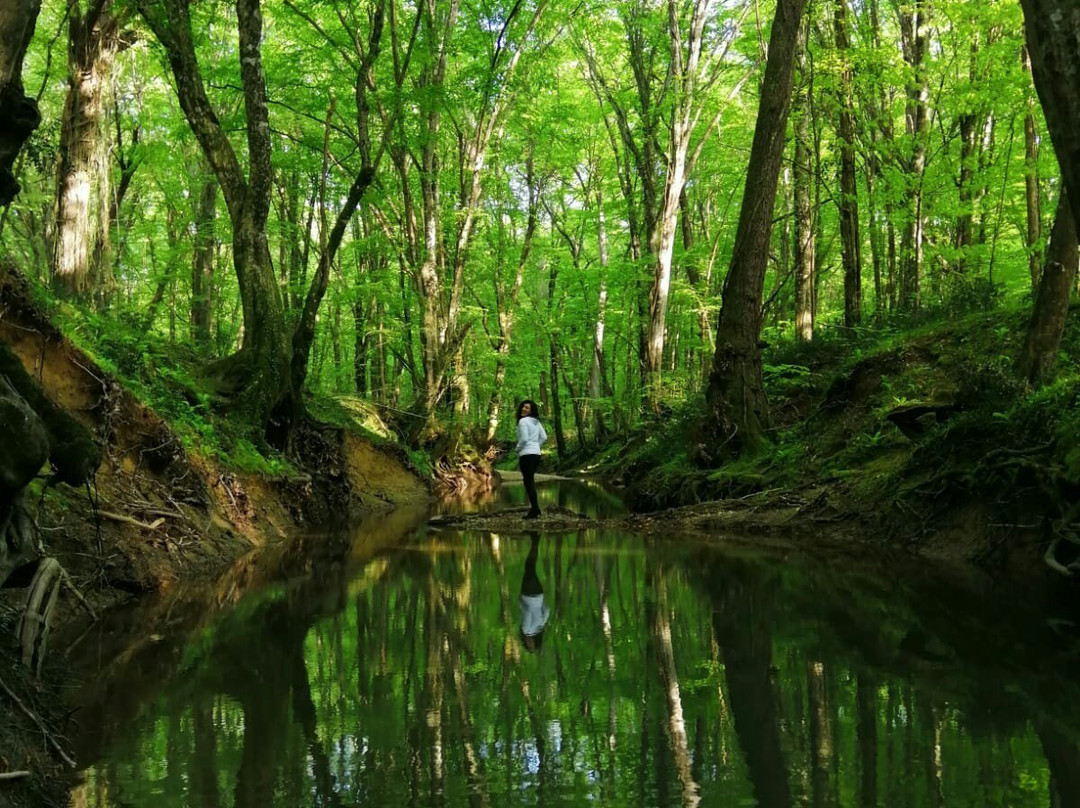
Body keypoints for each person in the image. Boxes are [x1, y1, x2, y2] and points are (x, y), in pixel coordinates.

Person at [515, 399, 547, 519]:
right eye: (523, 407)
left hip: (526, 454)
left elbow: (523, 439)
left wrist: (517, 449)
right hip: (536, 454)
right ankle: (535, 508)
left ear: (531, 410)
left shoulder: (523, 421)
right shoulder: (536, 422)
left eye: (527, 408)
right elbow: (543, 437)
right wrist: (535, 446)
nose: (524, 409)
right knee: (530, 481)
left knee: (528, 482)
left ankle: (535, 510)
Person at [519, 533, 549, 652]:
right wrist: (520, 601)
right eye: (530, 643)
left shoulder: (541, 626)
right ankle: (535, 541)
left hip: (539, 594)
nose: (528, 641)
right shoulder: (526, 629)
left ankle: (535, 541)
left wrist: (541, 600)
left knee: (531, 566)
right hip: (528, 594)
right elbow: (526, 612)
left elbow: (547, 611)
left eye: (528, 644)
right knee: (529, 566)